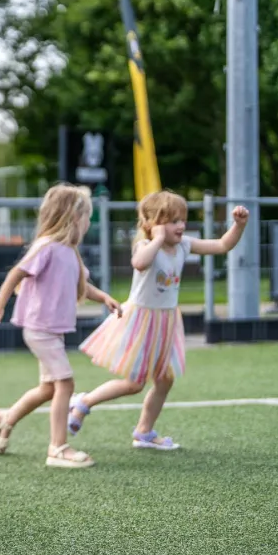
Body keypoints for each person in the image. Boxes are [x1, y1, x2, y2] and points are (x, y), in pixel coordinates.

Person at [71, 191, 249, 450]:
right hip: (142, 321)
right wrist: (156, 239)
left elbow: (222, 245)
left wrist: (238, 226)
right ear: (152, 223)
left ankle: (144, 431)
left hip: (166, 322)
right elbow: (139, 263)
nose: (181, 226)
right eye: (173, 221)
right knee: (134, 383)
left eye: (182, 220)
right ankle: (83, 403)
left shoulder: (184, 245)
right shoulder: (146, 246)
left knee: (165, 379)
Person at [0, 183, 122, 469]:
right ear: (73, 217)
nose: (87, 224)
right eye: (86, 217)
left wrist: (104, 297)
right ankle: (57, 448)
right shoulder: (46, 247)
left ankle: (5, 419)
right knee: (66, 383)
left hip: (51, 331)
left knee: (49, 388)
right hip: (39, 329)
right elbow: (15, 274)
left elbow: (83, 284)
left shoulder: (69, 252)